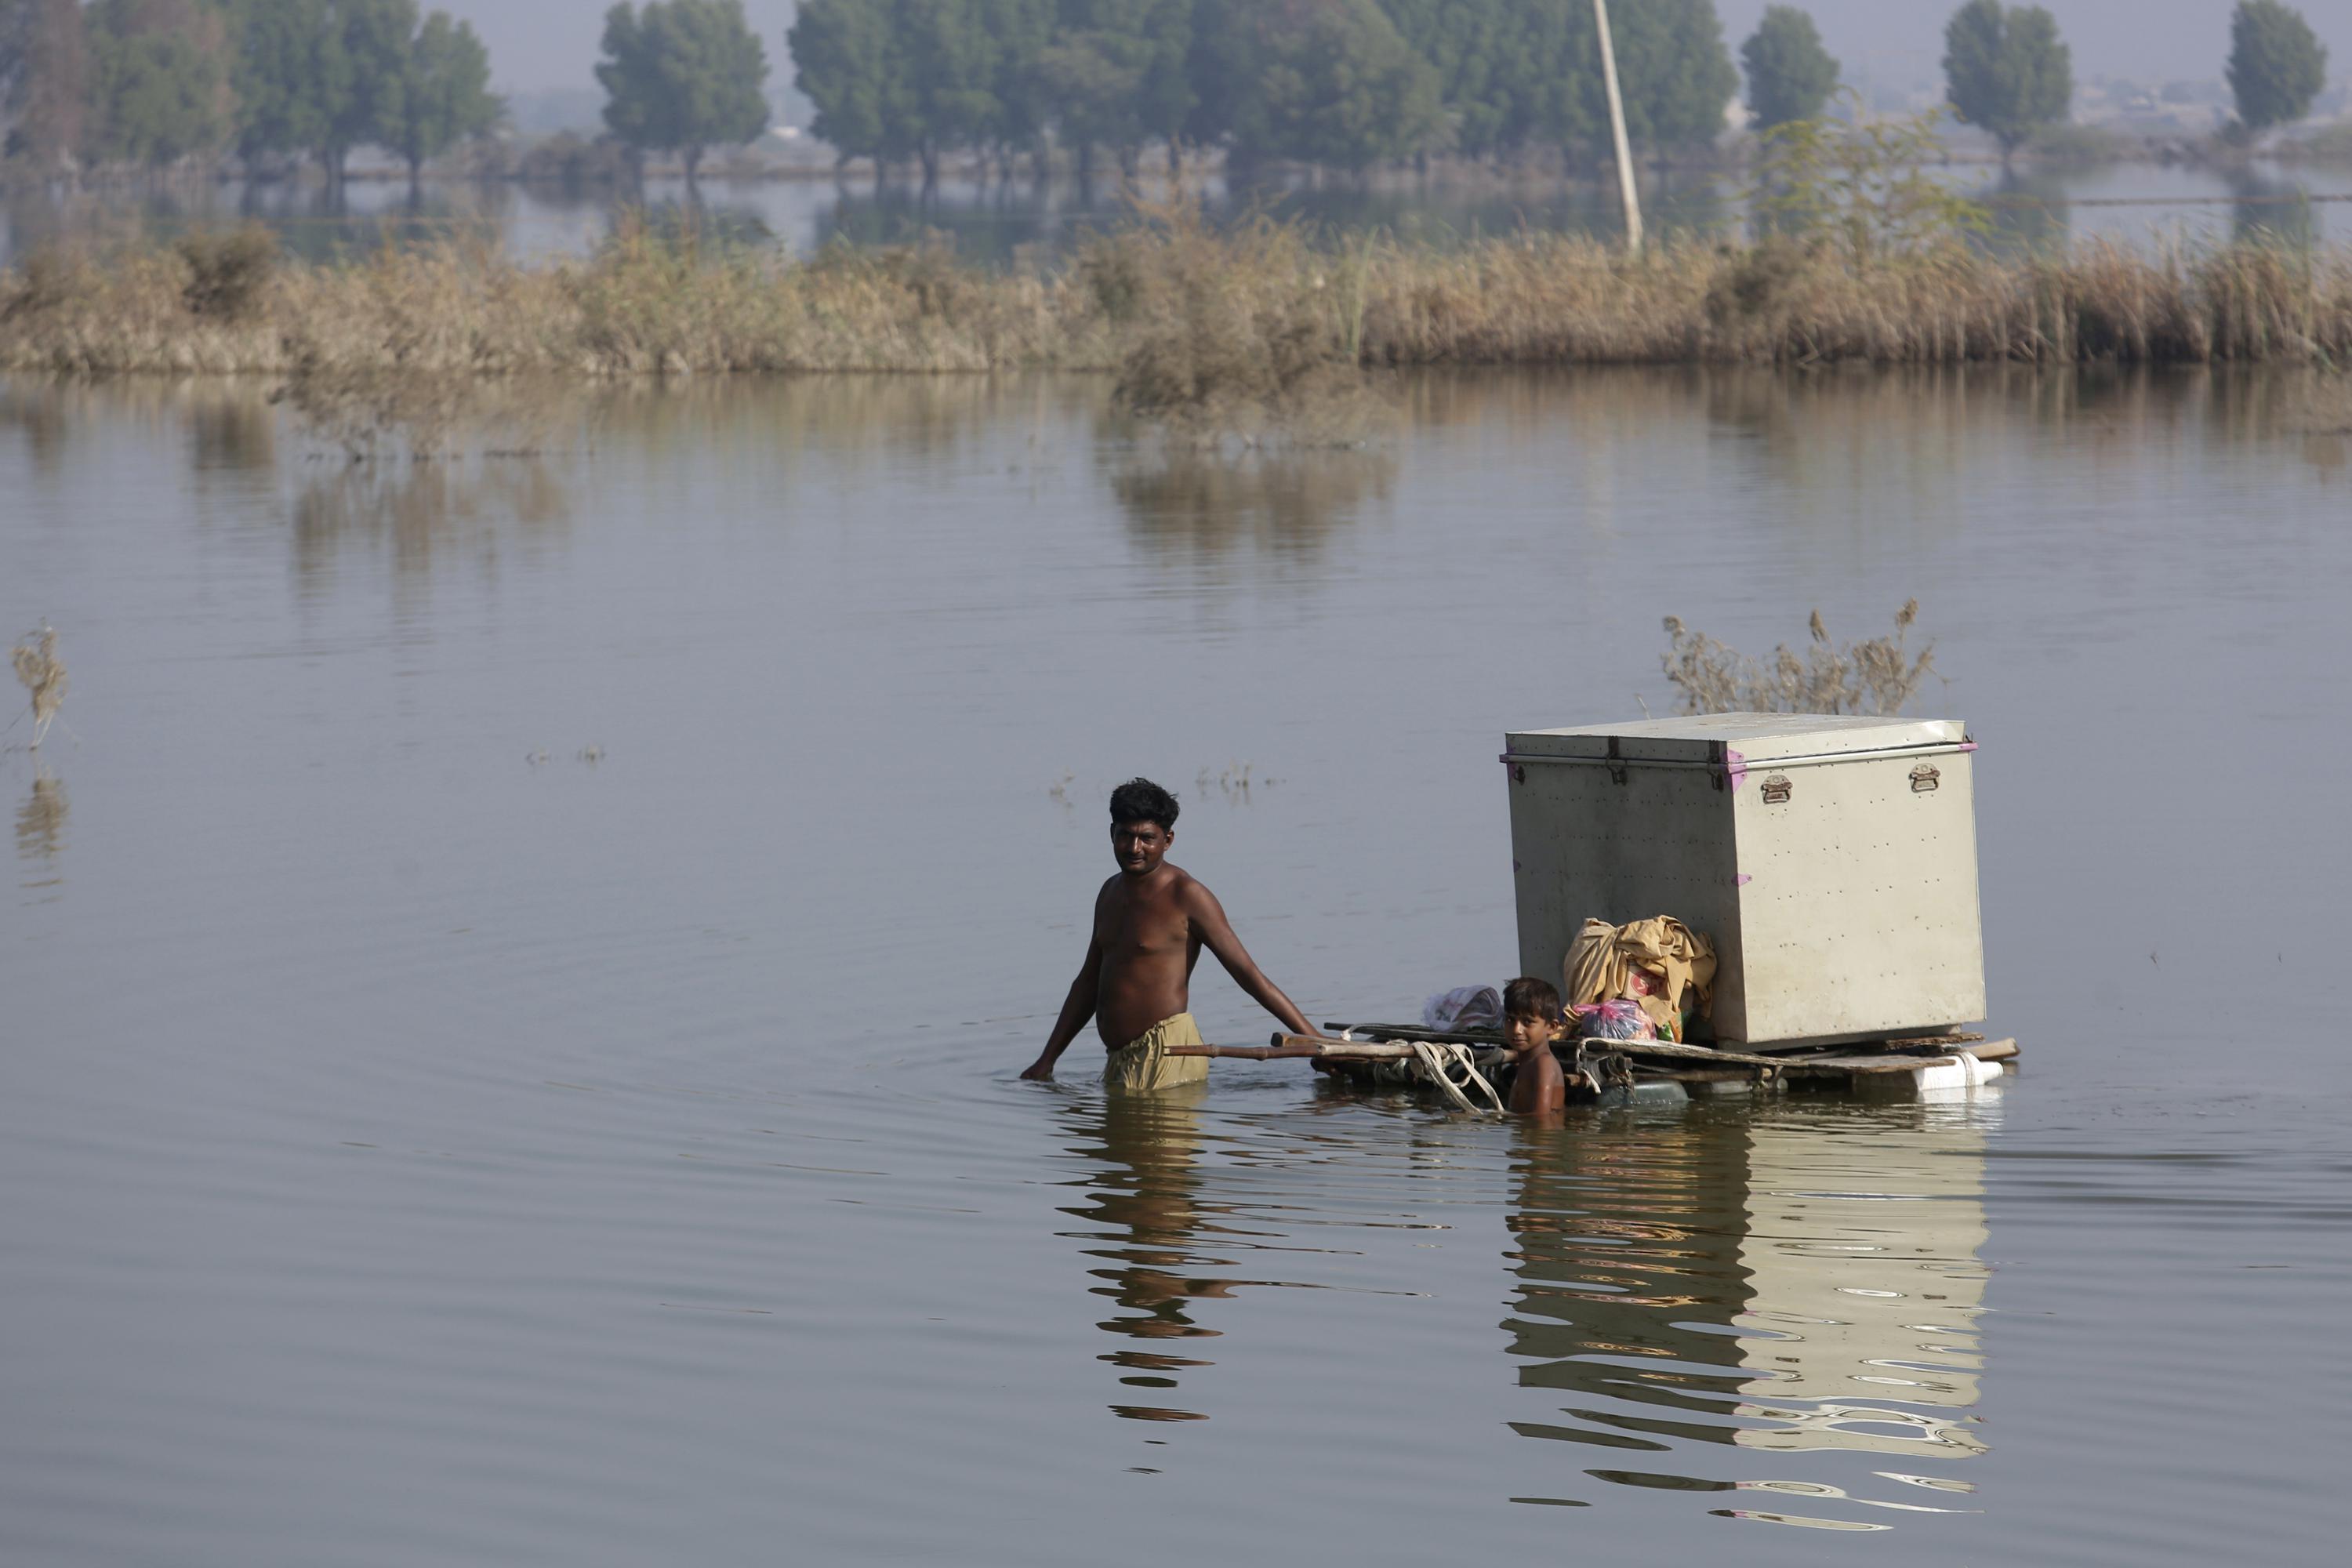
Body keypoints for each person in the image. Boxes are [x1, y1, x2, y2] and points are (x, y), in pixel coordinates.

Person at [1022, 777, 1318, 1090]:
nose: (1135, 848)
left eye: (1147, 838)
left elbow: (1249, 976)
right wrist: (1047, 1060)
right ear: (1111, 834)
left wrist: (1315, 1042)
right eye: (1125, 836)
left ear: (1168, 840)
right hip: (1120, 1060)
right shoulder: (1109, 892)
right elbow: (1087, 984)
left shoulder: (1187, 895)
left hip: (1168, 1056)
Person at [1501, 975, 1568, 1116]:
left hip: (1541, 1138)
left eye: (1527, 1022)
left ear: (1551, 1027)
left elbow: (1541, 1118)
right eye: (1510, 1019)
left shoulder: (1544, 1063)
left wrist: (1494, 1119)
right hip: (1527, 1137)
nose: (1516, 1030)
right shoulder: (1528, 1060)